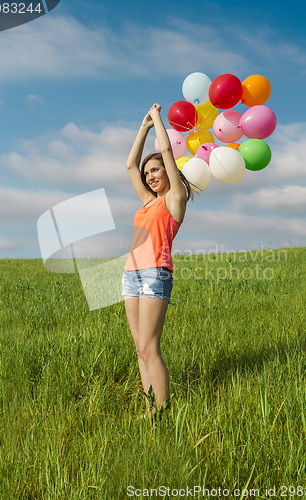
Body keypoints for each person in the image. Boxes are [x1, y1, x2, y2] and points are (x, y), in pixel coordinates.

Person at [121, 103, 195, 413]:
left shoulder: (174, 200)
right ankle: (149, 406)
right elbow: (129, 166)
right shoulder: (147, 202)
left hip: (155, 274)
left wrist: (158, 121)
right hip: (131, 274)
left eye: (156, 170)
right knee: (139, 348)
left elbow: (166, 150)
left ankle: (161, 411)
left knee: (151, 347)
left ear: (168, 172)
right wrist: (143, 127)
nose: (151, 175)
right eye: (148, 172)